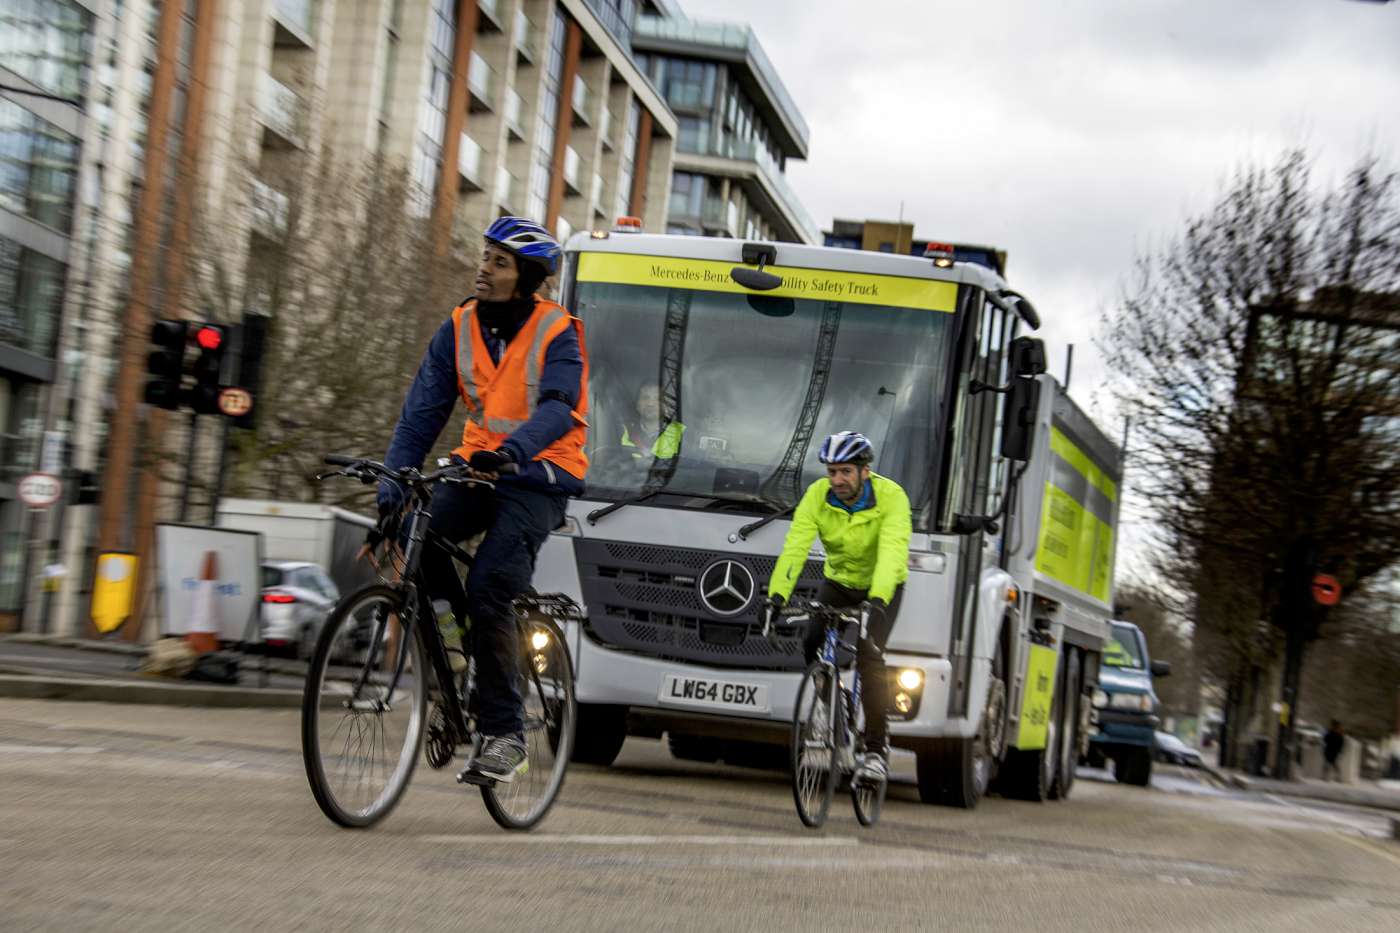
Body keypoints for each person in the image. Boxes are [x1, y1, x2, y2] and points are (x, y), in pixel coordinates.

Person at [376, 216, 588, 785]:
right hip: (478, 469)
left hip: (541, 475)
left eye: (498, 262)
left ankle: (505, 734)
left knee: (490, 584)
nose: (483, 268)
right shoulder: (459, 326)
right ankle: (460, 654)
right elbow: (423, 412)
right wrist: (392, 484)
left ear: (526, 277)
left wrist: (515, 450)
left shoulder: (558, 331)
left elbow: (558, 406)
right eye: (484, 257)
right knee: (410, 535)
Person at [765, 431, 911, 784]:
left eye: (845, 471)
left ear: (864, 471)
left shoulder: (892, 497)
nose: (837, 480)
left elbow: (892, 551)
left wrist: (877, 602)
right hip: (839, 582)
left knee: (869, 655)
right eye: (832, 472)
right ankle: (834, 707)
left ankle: (876, 751)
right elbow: (795, 547)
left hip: (883, 585)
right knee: (812, 640)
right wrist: (776, 597)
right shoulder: (818, 495)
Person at [621, 383, 684, 459]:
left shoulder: (682, 434)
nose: (650, 404)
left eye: (657, 399)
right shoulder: (622, 432)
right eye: (645, 398)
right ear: (637, 405)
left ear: (666, 405)